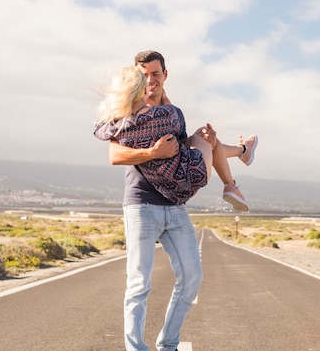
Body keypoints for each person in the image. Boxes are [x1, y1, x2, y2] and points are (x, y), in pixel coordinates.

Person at [100, 50, 257, 351]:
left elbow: (181, 149)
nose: (150, 80)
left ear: (165, 75)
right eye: (143, 75)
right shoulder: (127, 109)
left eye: (155, 74)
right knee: (139, 285)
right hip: (142, 206)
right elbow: (115, 155)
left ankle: (168, 344)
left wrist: (202, 139)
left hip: (175, 207)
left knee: (192, 278)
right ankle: (136, 348)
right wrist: (152, 153)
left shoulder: (171, 111)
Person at [94, 65, 243, 208]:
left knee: (200, 141)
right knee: (205, 136)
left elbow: (99, 129)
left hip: (171, 191)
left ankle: (242, 150)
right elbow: (176, 133)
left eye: (155, 74)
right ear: (142, 88)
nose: (151, 80)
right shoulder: (166, 114)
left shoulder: (117, 126)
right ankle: (231, 181)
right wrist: (168, 106)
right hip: (194, 175)